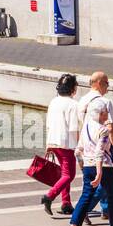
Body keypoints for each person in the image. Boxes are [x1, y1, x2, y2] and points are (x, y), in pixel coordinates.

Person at [66, 100, 113, 226]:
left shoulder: (86, 127)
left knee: (85, 197)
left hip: (88, 165)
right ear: (101, 114)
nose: (108, 114)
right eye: (106, 112)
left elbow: (78, 150)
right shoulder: (104, 130)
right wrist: (99, 173)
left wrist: (83, 166)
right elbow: (100, 153)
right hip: (104, 167)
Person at [77, 71, 113, 218]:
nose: (108, 87)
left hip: (86, 144)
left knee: (92, 181)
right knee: (107, 179)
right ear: (99, 83)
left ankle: (105, 209)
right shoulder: (104, 102)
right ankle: (86, 210)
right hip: (102, 145)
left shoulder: (81, 101)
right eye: (107, 83)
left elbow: (80, 126)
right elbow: (111, 129)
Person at [42, 73, 81, 216]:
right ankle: (49, 196)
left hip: (53, 141)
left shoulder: (54, 101)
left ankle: (66, 203)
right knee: (69, 175)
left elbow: (48, 124)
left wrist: (48, 143)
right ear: (73, 89)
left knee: (64, 174)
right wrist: (79, 146)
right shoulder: (74, 105)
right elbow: (73, 128)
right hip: (66, 143)